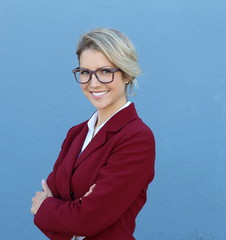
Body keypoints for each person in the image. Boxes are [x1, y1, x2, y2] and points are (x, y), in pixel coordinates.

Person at [30, 28, 156, 240]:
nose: (94, 83)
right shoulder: (76, 134)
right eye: (86, 72)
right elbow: (71, 214)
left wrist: (49, 209)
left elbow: (86, 220)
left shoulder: (136, 138)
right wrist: (74, 212)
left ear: (126, 74)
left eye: (105, 71)